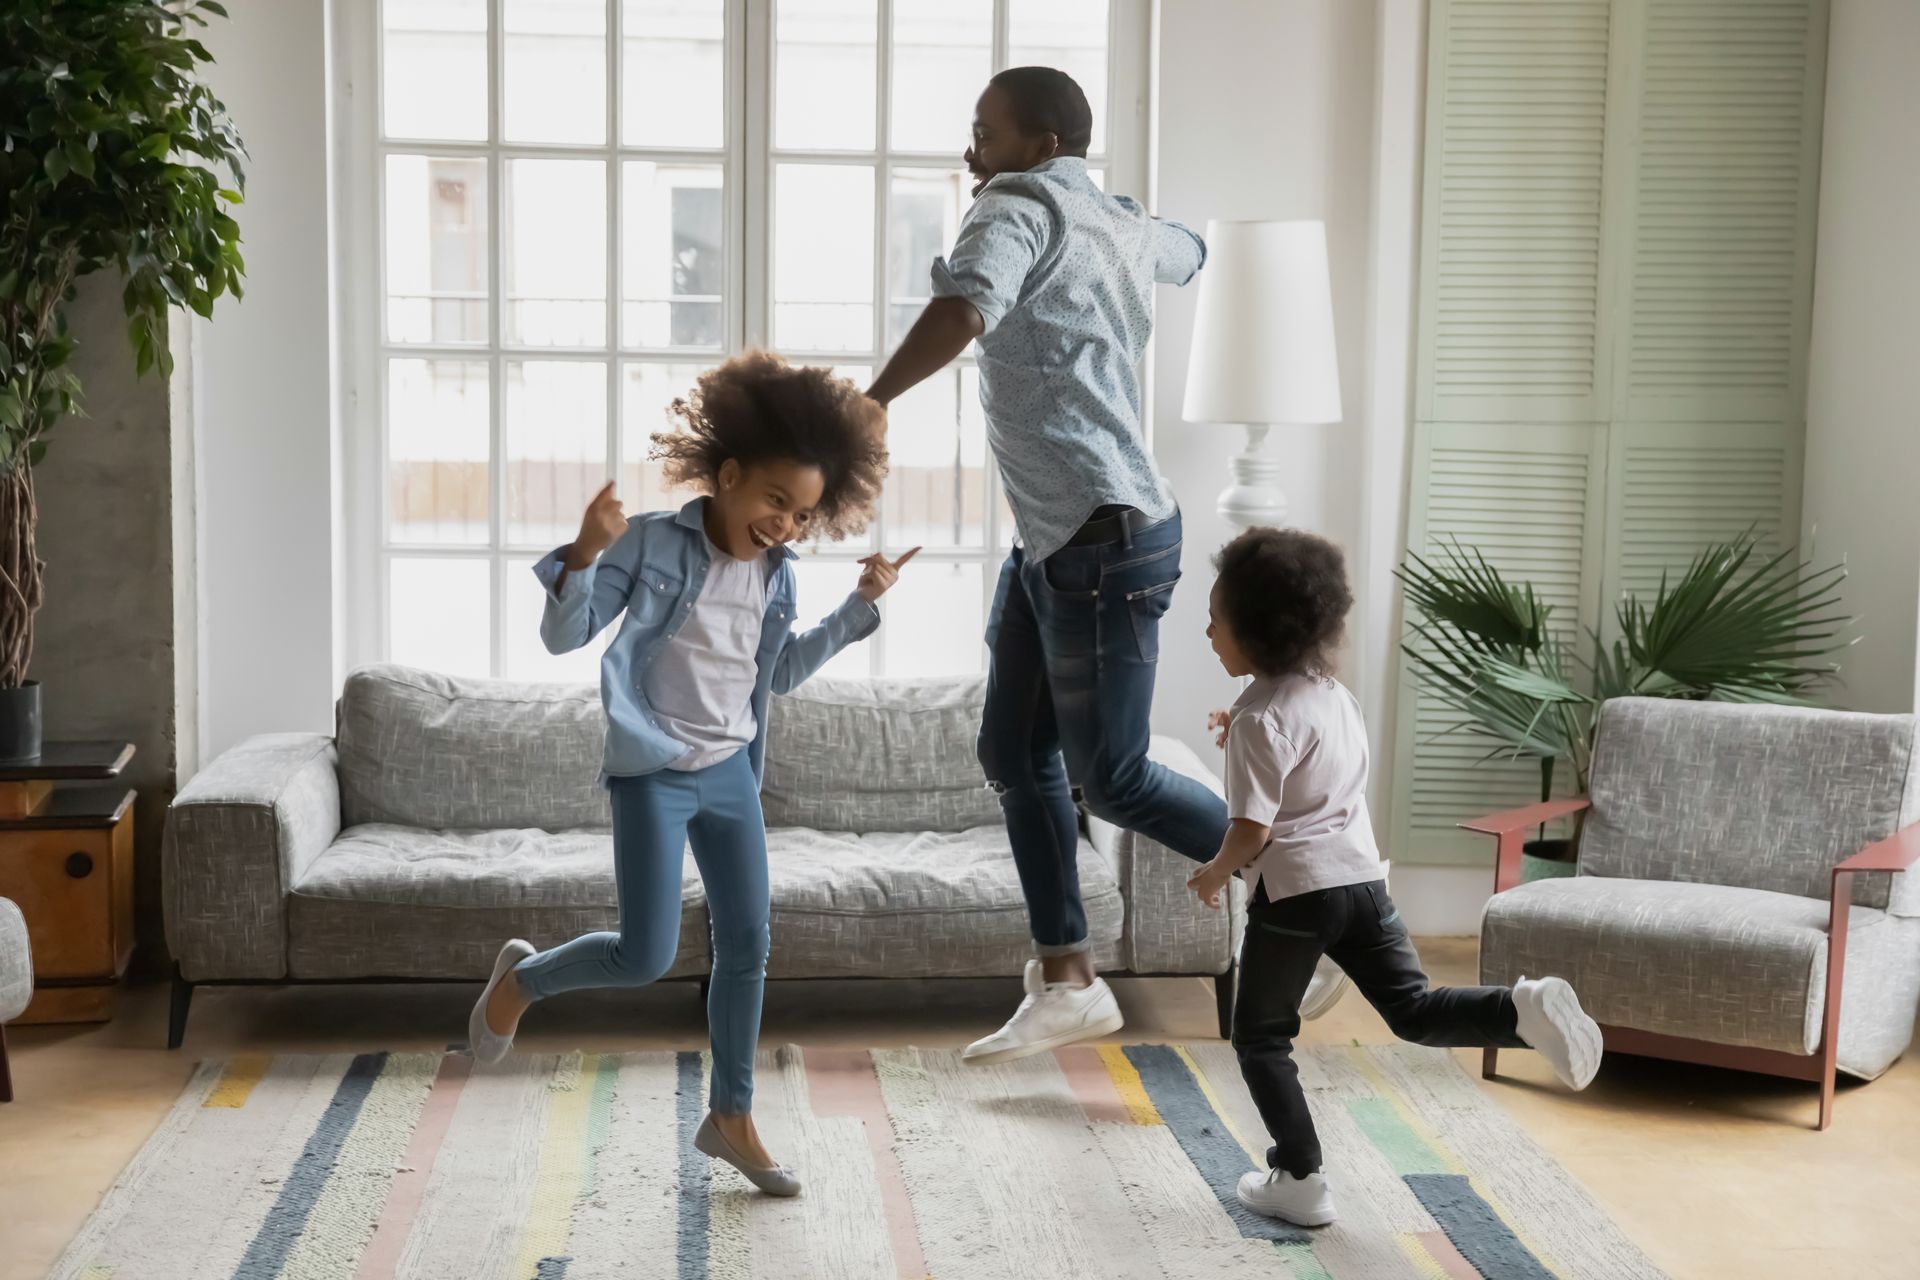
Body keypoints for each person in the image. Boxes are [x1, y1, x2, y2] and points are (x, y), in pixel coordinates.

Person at [866, 64, 1251, 1064]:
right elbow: (1190, 251)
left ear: (1037, 146)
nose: (971, 151)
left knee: (1113, 778)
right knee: (1012, 750)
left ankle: (1308, 867)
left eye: (984, 132)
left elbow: (966, 306)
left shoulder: (1016, 203)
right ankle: (1069, 977)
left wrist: (873, 401)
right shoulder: (1111, 215)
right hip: (1063, 537)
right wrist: (1178, 237)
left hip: (1101, 539)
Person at [467, 353, 912, 1198]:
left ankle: (732, 1115)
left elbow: (776, 674)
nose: (785, 524)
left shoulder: (777, 578)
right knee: (645, 955)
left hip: (732, 774)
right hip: (656, 774)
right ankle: (522, 982)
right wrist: (586, 555)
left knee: (749, 947)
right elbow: (567, 638)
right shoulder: (651, 544)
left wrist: (861, 607)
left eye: (803, 514)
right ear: (732, 475)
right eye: (775, 501)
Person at [1187, 527, 1602, 1228]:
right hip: (1361, 885)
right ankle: (1518, 1011)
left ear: (1258, 634)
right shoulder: (1330, 694)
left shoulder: (1261, 721)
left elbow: (1253, 830)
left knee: (1259, 1036)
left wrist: (1213, 873)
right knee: (1412, 1009)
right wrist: (1244, 717)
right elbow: (1304, 746)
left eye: (1216, 620)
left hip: (1295, 898)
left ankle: (1300, 1176)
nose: (1206, 631)